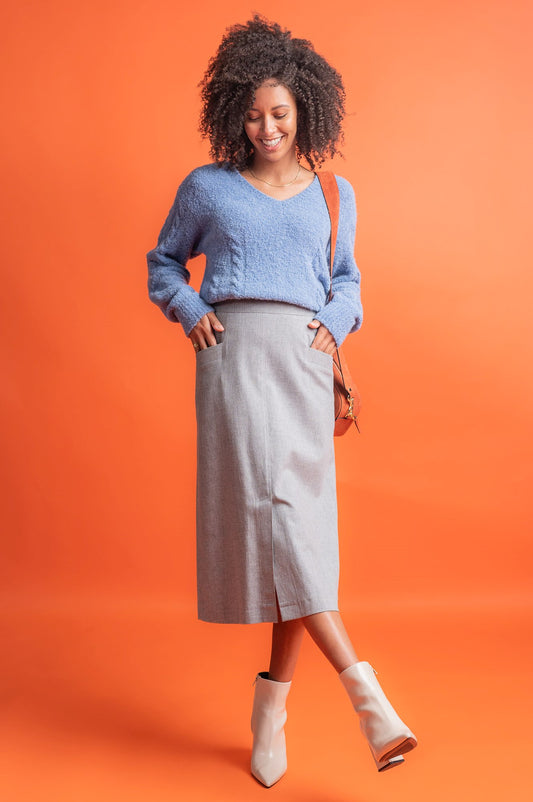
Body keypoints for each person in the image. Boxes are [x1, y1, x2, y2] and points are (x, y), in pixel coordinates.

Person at [147, 15, 417, 788]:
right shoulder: (207, 187)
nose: (265, 128)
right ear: (231, 113)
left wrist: (335, 325)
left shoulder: (334, 194)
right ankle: (368, 701)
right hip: (234, 362)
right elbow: (163, 263)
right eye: (251, 115)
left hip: (303, 366)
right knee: (279, 524)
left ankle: (271, 710)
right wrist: (189, 308)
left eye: (279, 113)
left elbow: (346, 280)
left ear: (304, 111)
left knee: (300, 537)